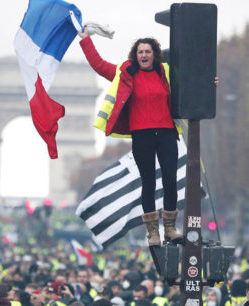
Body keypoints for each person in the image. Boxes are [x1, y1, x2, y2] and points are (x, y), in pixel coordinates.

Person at [78, 28, 218, 246]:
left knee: (171, 180)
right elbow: (99, 65)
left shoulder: (167, 72)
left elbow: (191, 82)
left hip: (166, 133)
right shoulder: (125, 73)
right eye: (140, 52)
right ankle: (153, 232)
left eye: (148, 51)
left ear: (155, 54)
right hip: (141, 135)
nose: (143, 55)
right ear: (136, 55)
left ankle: (170, 229)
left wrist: (210, 83)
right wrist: (85, 40)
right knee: (149, 183)